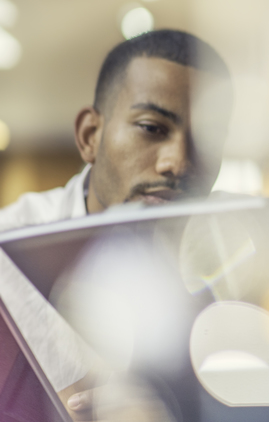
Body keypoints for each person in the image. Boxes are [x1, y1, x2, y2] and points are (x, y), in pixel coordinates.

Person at [0, 29, 233, 420]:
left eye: (205, 140)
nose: (177, 163)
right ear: (90, 136)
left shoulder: (239, 253)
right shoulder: (9, 254)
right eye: (151, 128)